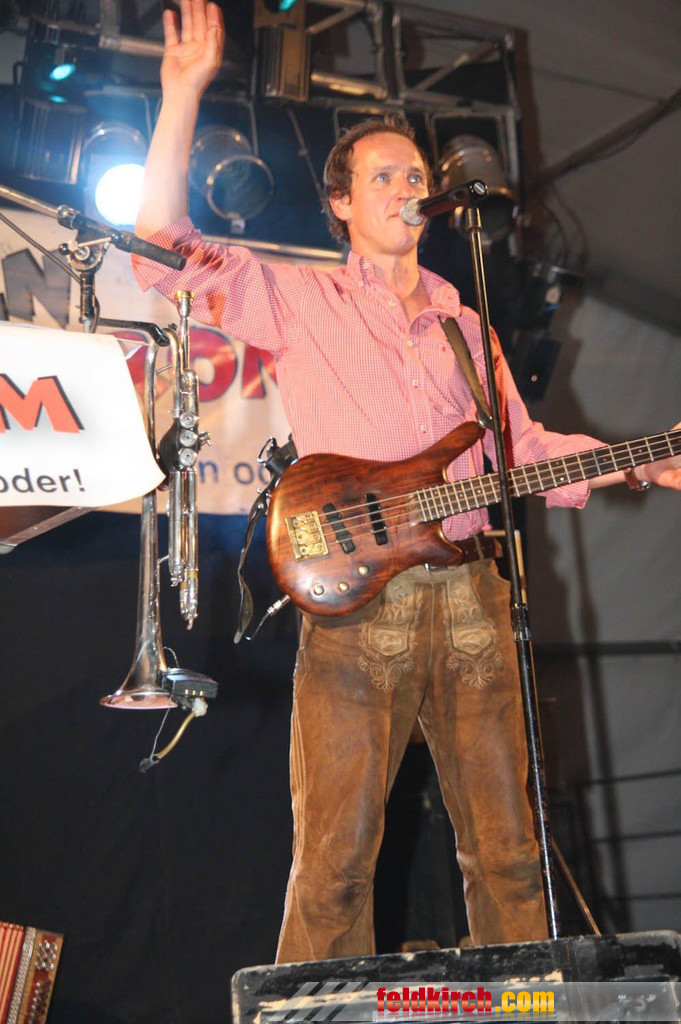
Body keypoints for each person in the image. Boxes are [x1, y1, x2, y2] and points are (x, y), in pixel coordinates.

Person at [132, 0, 681, 963]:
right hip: (359, 605)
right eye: (383, 175)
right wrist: (181, 94)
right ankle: (313, 1012)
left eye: (416, 175)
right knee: (335, 864)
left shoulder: (466, 326)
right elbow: (158, 251)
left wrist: (639, 458)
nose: (407, 186)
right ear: (340, 204)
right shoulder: (301, 300)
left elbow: (518, 450)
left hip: (472, 595)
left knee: (509, 857)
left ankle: (527, 1008)